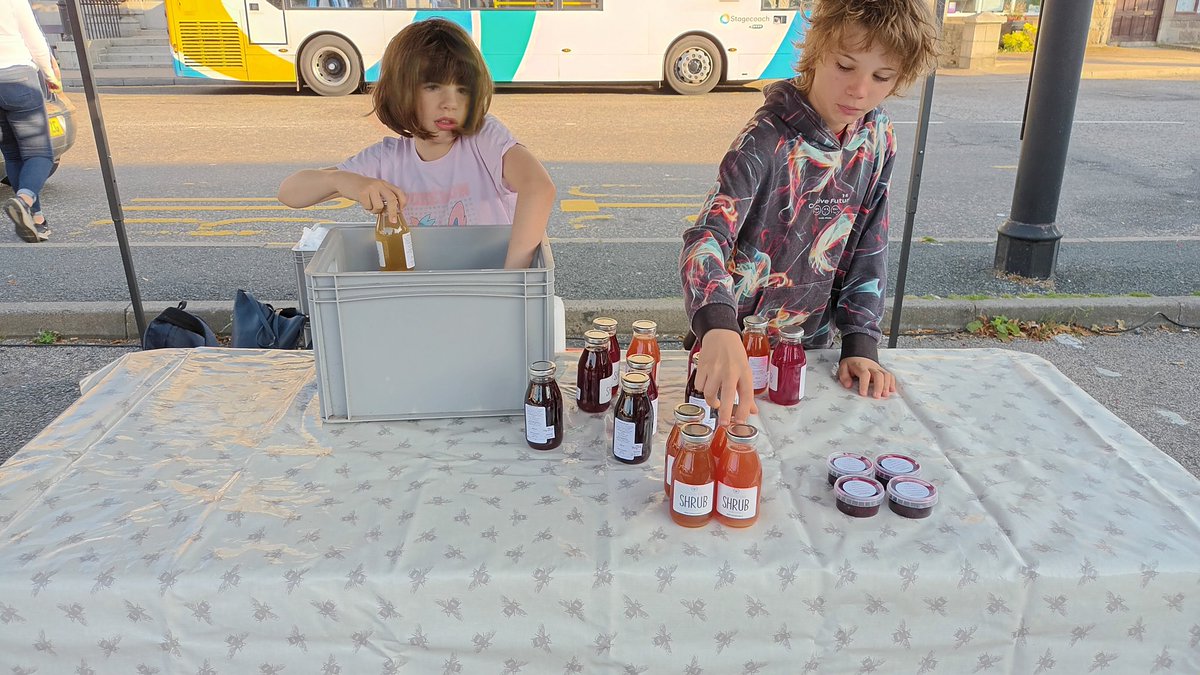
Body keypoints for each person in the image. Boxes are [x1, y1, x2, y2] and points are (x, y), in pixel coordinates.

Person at [680, 0, 939, 425]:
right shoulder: (765, 139)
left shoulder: (878, 136)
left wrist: (860, 342)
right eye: (845, 66)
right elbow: (707, 237)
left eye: (882, 76)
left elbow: (869, 245)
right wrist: (717, 326)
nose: (859, 90)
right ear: (816, 52)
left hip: (808, 351)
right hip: (730, 349)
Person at [278, 18, 554, 269]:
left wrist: (513, 279)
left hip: (491, 290)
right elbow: (289, 193)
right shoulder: (387, 159)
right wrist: (342, 180)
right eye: (433, 87)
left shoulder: (483, 138)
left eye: (463, 89)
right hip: (422, 293)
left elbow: (539, 188)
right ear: (400, 91)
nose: (450, 103)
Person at [1, 0, 63, 243]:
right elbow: (33, 37)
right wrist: (49, 73)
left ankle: (36, 219)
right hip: (17, 76)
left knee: (13, 155)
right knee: (40, 154)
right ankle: (24, 199)